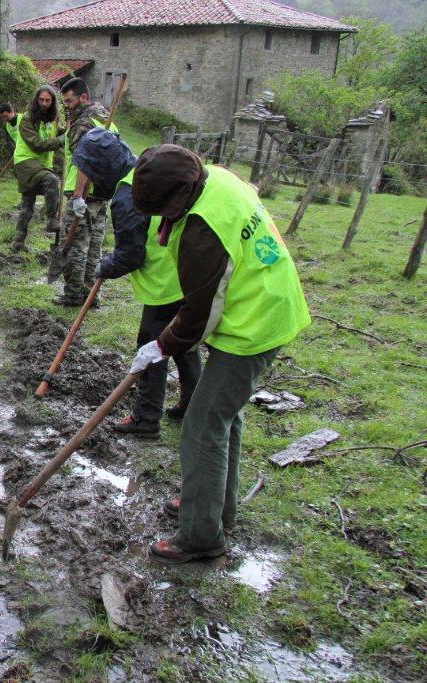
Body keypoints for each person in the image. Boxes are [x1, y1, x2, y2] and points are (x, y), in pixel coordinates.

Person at [128, 144, 311, 563]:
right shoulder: (217, 176)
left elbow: (195, 319)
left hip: (254, 323)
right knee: (224, 415)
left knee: (202, 424)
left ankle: (200, 536)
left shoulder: (202, 233)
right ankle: (214, 509)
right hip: (269, 300)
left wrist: (159, 346)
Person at [71, 129, 202, 440]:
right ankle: (191, 405)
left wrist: (106, 265)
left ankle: (145, 419)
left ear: (102, 167)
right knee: (184, 345)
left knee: (152, 348)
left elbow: (131, 254)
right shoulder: (145, 173)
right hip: (187, 276)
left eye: (88, 170)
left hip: (165, 284)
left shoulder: (129, 194)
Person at [55, 78, 115, 306]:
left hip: (83, 194)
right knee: (94, 248)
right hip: (103, 192)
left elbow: (84, 160)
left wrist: (78, 195)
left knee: (76, 247)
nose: (67, 106)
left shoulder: (83, 123)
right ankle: (92, 296)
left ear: (83, 97)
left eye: (69, 101)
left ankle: (72, 295)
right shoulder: (104, 118)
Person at [11, 85, 64, 253]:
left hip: (43, 164)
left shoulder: (53, 118)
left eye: (48, 100)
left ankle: (18, 243)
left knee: (28, 202)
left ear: (53, 102)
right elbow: (37, 144)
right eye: (41, 100)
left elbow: (59, 132)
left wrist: (69, 130)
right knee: (52, 180)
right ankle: (52, 219)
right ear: (36, 100)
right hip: (26, 162)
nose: (44, 103)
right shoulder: (27, 119)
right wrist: (63, 139)